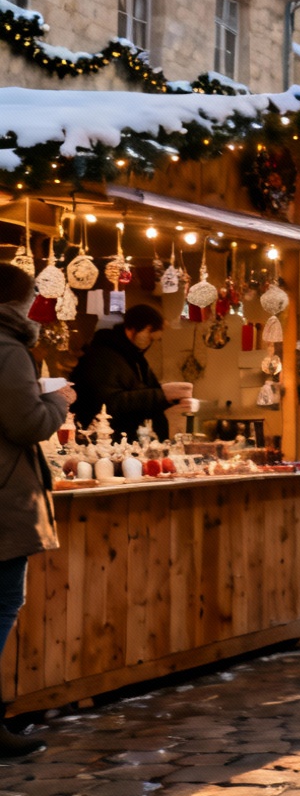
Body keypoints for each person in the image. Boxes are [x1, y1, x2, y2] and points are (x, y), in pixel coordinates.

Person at [0, 266, 71, 756]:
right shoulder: (8, 350)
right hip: (4, 498)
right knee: (3, 605)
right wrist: (60, 402)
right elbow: (26, 423)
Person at [68, 304, 190, 441]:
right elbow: (108, 404)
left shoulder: (133, 357)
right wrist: (162, 394)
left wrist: (172, 398)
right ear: (132, 329)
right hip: (105, 444)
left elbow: (144, 394)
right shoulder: (102, 357)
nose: (150, 342)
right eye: (149, 335)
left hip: (129, 443)